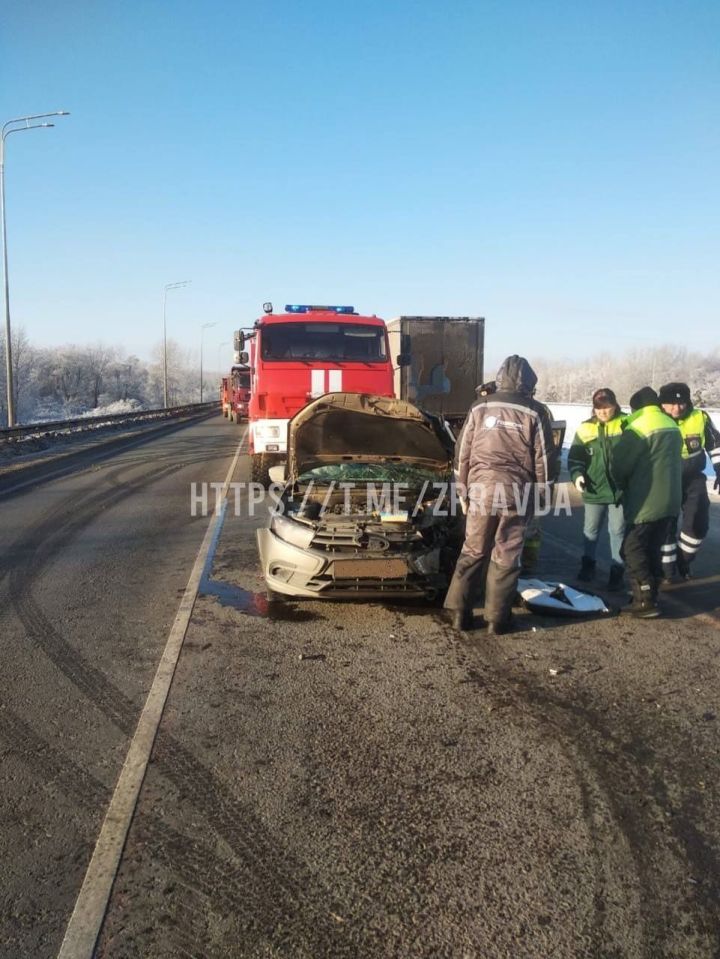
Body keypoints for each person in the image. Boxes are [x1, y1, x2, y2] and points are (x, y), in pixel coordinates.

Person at [444, 355, 557, 634]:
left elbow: (463, 452)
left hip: (481, 489)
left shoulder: (480, 406)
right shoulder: (536, 412)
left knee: (473, 549)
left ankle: (460, 613)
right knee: (506, 552)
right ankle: (497, 619)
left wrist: (462, 489)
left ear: (500, 377)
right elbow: (544, 458)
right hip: (517, 492)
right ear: (530, 382)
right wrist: (545, 493)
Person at [611, 386, 682, 618]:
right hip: (671, 500)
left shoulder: (638, 427)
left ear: (636, 408)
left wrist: (619, 484)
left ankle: (644, 600)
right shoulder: (671, 424)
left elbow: (620, 466)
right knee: (653, 547)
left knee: (631, 549)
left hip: (646, 501)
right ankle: (651, 593)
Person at [658, 382, 720, 579]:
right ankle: (666, 570)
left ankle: (683, 560)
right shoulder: (655, 419)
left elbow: (716, 446)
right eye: (671, 404)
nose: (677, 408)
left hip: (693, 478)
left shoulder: (699, 417)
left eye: (682, 403)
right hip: (663, 480)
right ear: (662, 404)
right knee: (665, 525)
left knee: (698, 522)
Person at [568, 388, 626, 590]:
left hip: (620, 492)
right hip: (594, 490)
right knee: (590, 530)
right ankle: (588, 566)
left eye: (607, 407)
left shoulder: (627, 424)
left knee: (618, 531)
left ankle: (617, 571)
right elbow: (575, 458)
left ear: (615, 405)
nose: (602, 412)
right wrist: (577, 475)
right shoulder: (585, 429)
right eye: (598, 408)